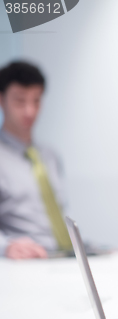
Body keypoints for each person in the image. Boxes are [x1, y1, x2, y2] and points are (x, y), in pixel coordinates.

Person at [0, 61, 71, 259]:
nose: (30, 111)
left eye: (36, 101)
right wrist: (6, 246)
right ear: (1, 100)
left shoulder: (50, 156)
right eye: (20, 101)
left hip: (62, 259)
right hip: (23, 262)